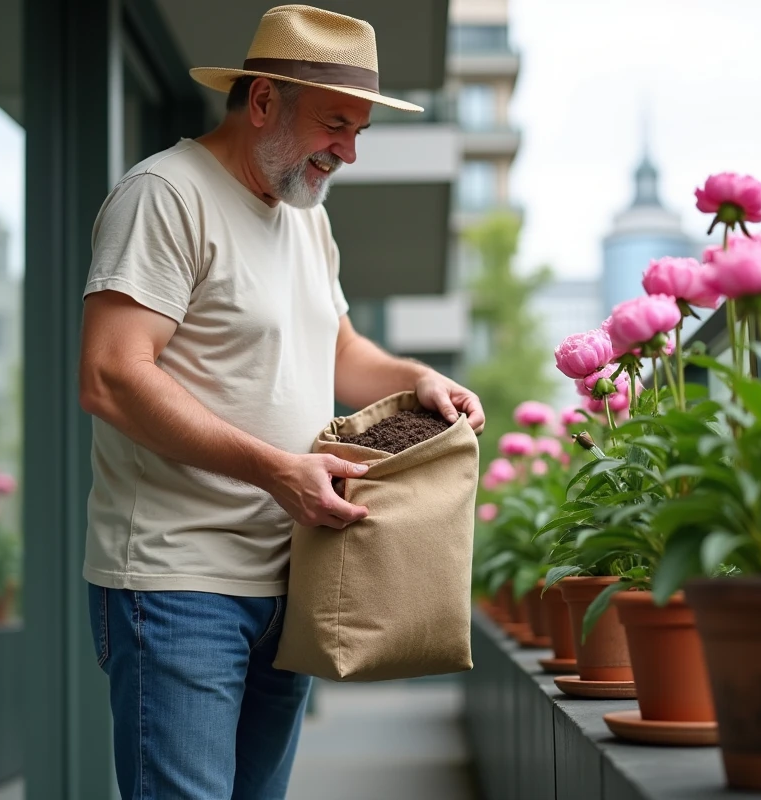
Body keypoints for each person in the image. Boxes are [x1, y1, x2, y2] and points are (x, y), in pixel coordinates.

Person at [76, 5, 485, 799]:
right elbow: (112, 374)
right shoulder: (165, 194)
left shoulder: (306, 216)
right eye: (336, 123)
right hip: (179, 582)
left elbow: (338, 349)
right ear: (262, 101)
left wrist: (418, 379)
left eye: (360, 130)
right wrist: (275, 471)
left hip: (293, 576)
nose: (350, 152)